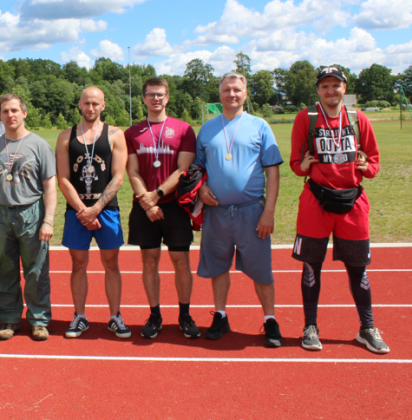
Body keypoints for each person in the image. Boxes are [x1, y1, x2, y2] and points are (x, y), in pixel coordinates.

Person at [290, 66, 388, 353]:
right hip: (316, 202)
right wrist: (302, 166)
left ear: (345, 88)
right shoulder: (306, 117)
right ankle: (310, 327)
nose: (330, 90)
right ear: (318, 90)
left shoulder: (358, 118)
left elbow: (374, 161)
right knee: (312, 265)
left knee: (358, 268)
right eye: (325, 86)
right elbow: (296, 163)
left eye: (336, 85)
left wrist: (367, 167)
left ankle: (367, 328)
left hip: (352, 204)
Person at [195, 72, 284, 348]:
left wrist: (268, 212)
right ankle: (220, 315)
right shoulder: (207, 129)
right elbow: (197, 168)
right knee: (218, 266)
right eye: (226, 90)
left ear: (245, 93)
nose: (231, 94)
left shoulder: (260, 126)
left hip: (252, 212)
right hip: (217, 212)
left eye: (236, 89)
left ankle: (270, 319)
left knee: (261, 270)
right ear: (219, 94)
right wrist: (201, 188)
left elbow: (273, 173)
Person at [125, 78, 200, 340]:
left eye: (160, 94)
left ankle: (185, 316)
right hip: (144, 207)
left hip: (174, 206)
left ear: (167, 97)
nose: (155, 99)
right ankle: (155, 315)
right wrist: (146, 203)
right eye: (150, 95)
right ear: (143, 98)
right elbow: (132, 171)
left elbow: (183, 169)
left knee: (181, 262)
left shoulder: (184, 129)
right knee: (149, 262)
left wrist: (156, 196)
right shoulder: (132, 132)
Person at [0, 94, 57, 341]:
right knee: (2, 270)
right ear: (0, 115)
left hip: (31, 212)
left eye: (14, 110)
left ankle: (39, 320)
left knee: (36, 271)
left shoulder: (39, 145)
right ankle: (9, 318)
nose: (10, 115)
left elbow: (50, 186)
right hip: (0, 213)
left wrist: (48, 221)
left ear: (24, 113)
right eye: (5, 111)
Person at [56, 87, 130, 339]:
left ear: (103, 105)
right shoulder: (65, 136)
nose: (90, 108)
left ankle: (115, 316)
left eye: (95, 103)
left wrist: (96, 209)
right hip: (76, 212)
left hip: (106, 210)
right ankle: (79, 316)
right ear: (79, 104)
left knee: (111, 264)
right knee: (78, 264)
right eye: (86, 103)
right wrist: (83, 210)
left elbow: (118, 177)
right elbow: (63, 179)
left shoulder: (115, 135)